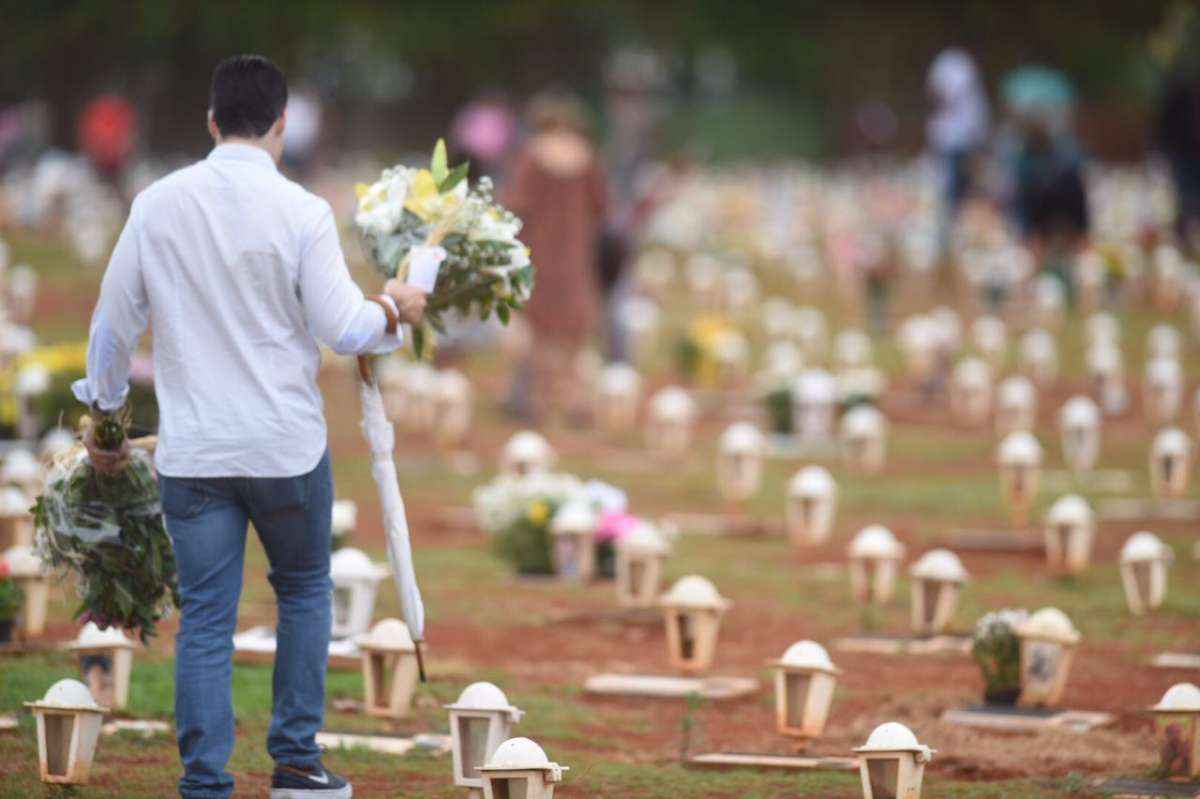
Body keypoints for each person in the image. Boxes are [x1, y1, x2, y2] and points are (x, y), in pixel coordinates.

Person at [73, 55, 430, 799]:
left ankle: (205, 779)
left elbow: (112, 326)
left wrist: (107, 416)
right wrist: (395, 306)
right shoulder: (301, 211)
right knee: (303, 590)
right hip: (285, 446)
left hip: (195, 450)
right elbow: (343, 327)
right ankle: (297, 762)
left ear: (210, 121)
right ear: (282, 124)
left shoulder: (158, 203)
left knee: (206, 615)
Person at [502, 92, 609, 422]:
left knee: (538, 332)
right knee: (575, 336)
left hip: (539, 253)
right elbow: (602, 206)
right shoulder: (588, 158)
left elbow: (515, 205)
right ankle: (578, 402)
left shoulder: (532, 158)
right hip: (576, 255)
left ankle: (534, 403)